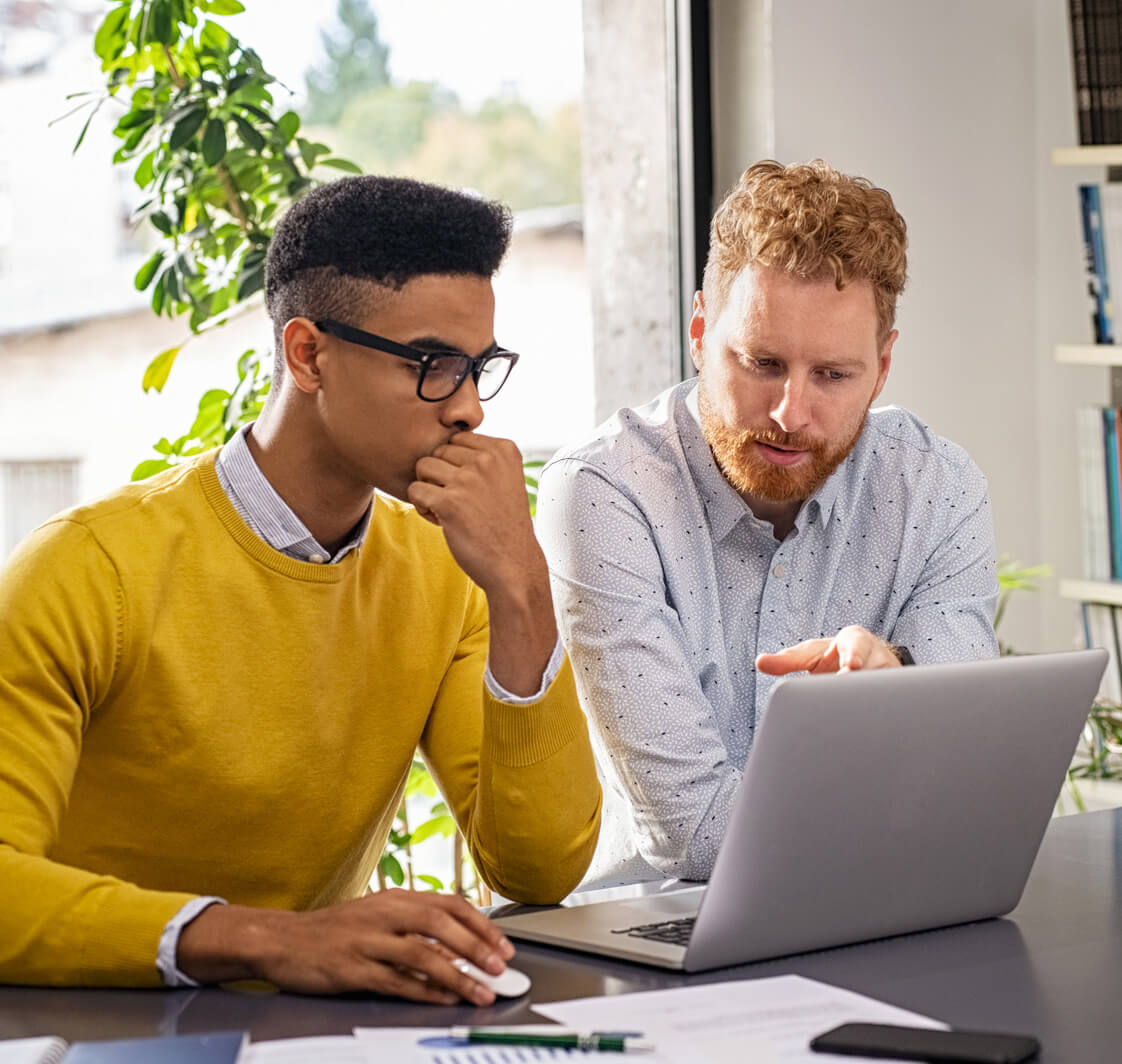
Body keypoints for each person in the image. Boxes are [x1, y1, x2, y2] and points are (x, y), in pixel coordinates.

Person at [0, 176, 601, 1004]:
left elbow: (538, 867)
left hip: (309, 1034)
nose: (467, 409)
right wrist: (268, 940)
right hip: (88, 1027)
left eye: (479, 367)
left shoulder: (445, 569)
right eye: (432, 365)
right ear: (307, 355)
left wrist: (523, 587)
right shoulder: (84, 571)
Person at [535, 159, 998, 888]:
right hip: (640, 941)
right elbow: (695, 835)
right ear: (698, 334)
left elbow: (968, 773)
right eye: (761, 362)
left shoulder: (937, 490)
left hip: (866, 915)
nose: (790, 412)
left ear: (881, 370)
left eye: (833, 376)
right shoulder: (603, 492)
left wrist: (901, 680)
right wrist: (899, 756)